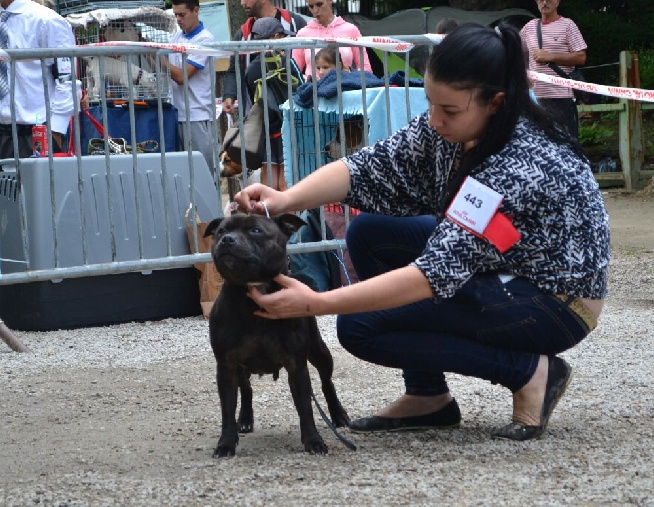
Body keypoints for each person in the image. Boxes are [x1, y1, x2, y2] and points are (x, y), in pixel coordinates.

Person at [234, 22, 609, 442]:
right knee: (371, 232)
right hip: (505, 263)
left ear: (496, 102)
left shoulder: (515, 164)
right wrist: (284, 200)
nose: (434, 120)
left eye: (449, 111)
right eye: (430, 103)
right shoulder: (457, 126)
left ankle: (530, 371)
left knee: (359, 327)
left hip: (556, 302)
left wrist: (316, 304)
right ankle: (428, 396)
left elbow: (433, 274)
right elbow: (367, 166)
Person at [0, 0, 80, 160]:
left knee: (39, 185)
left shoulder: (48, 21)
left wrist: (56, 129)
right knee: (3, 185)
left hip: (37, 133)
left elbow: (67, 79)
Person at [244, 17, 304, 191]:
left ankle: (268, 217)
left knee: (268, 175)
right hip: (288, 125)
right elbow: (301, 88)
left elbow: (251, 96)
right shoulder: (286, 62)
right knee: (287, 175)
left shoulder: (252, 68)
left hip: (265, 128)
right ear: (275, 36)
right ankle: (288, 216)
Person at [160, 0, 216, 175]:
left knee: (204, 171)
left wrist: (157, 57)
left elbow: (181, 76)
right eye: (175, 14)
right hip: (178, 114)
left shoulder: (205, 38)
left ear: (196, 11)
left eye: (182, 15)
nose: (178, 19)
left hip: (198, 115)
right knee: (184, 172)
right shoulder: (177, 37)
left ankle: (210, 202)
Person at [222, 0, 306, 116]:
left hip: (294, 107)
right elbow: (234, 70)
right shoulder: (242, 34)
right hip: (257, 112)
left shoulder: (296, 23)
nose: (242, 3)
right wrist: (229, 95)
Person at [520, 0, 587, 140]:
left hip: (562, 97)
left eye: (549, 0)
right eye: (541, 0)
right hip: (536, 98)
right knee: (539, 141)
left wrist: (551, 56)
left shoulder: (568, 25)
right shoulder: (529, 27)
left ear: (557, 2)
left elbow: (581, 57)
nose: (544, 3)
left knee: (567, 141)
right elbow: (516, 53)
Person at [292, 0, 371, 82]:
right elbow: (293, 71)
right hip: (314, 91)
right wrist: (307, 81)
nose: (315, 10)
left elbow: (366, 68)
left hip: (346, 87)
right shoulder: (303, 33)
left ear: (330, 1)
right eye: (311, 6)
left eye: (319, 4)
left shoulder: (351, 30)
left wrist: (350, 75)